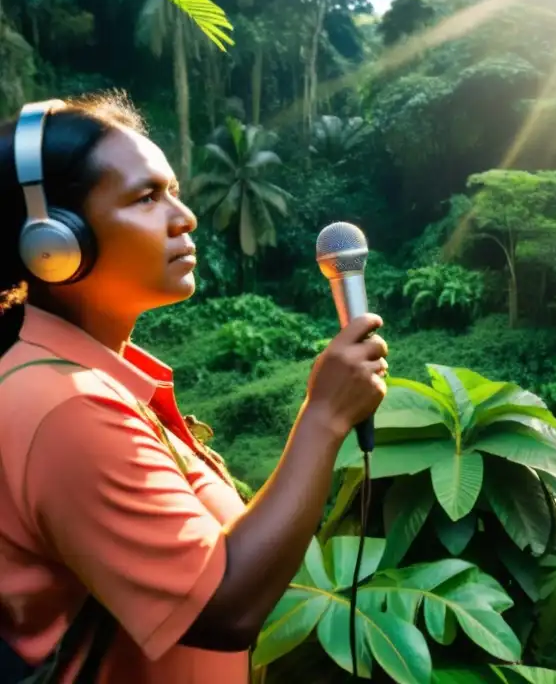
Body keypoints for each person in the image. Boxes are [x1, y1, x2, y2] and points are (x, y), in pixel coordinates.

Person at [0, 91, 388, 683]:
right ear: (52, 241)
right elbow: (223, 608)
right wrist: (325, 418)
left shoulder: (99, 379)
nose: (184, 217)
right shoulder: (67, 410)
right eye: (147, 196)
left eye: (174, 192)